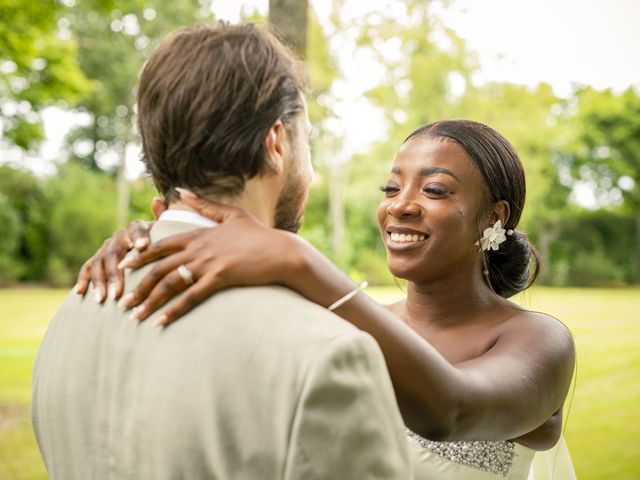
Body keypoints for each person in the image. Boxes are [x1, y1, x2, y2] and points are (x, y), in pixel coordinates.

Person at [80, 119, 577, 479]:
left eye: (435, 190)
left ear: (493, 217)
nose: (400, 205)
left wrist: (298, 259)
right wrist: (158, 240)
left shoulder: (537, 341)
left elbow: (452, 410)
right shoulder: (345, 328)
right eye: (392, 186)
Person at [32, 23, 414, 479]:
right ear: (276, 144)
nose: (310, 174)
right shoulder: (327, 354)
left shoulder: (75, 310)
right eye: (305, 140)